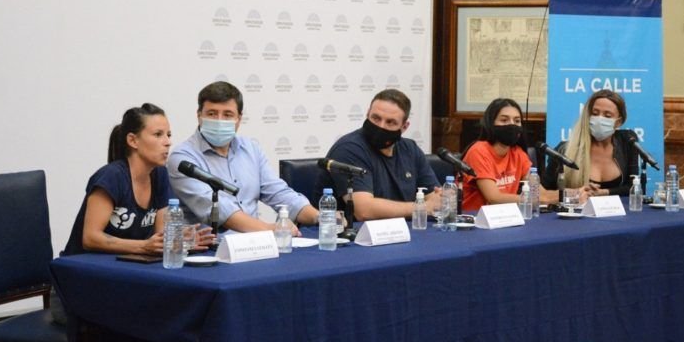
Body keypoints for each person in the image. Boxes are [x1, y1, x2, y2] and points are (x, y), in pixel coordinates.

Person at [167, 81, 318, 234]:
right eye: (212, 114)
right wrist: (269, 230)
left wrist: (321, 218)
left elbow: (279, 193)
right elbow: (221, 210)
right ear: (199, 116)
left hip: (257, 243)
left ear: (239, 119)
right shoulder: (183, 158)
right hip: (212, 245)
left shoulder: (251, 149)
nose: (219, 120)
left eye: (228, 115)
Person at [63, 103, 213, 256]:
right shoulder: (111, 177)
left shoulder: (160, 175)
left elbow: (161, 235)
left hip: (130, 264)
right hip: (83, 264)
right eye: (158, 134)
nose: (168, 142)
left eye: (168, 135)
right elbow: (90, 238)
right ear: (133, 140)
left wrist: (179, 241)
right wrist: (143, 246)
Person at [319, 89, 443, 221]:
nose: (381, 126)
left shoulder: (410, 149)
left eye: (390, 122)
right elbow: (363, 210)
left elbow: (435, 198)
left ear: (404, 127)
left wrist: (437, 201)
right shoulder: (350, 148)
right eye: (376, 118)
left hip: (401, 229)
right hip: (353, 232)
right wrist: (420, 208)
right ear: (367, 114)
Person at [461, 98, 562, 211]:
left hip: (505, 216)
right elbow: (494, 198)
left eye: (517, 121)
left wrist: (571, 193)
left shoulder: (517, 153)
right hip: (475, 217)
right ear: (490, 123)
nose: (512, 125)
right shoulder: (478, 151)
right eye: (504, 120)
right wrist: (540, 200)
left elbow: (541, 193)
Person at [542, 89, 640, 196]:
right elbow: (543, 191)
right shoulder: (565, 150)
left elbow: (633, 187)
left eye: (607, 116)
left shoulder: (627, 141)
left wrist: (604, 192)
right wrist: (574, 194)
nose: (599, 119)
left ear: (619, 122)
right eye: (595, 113)